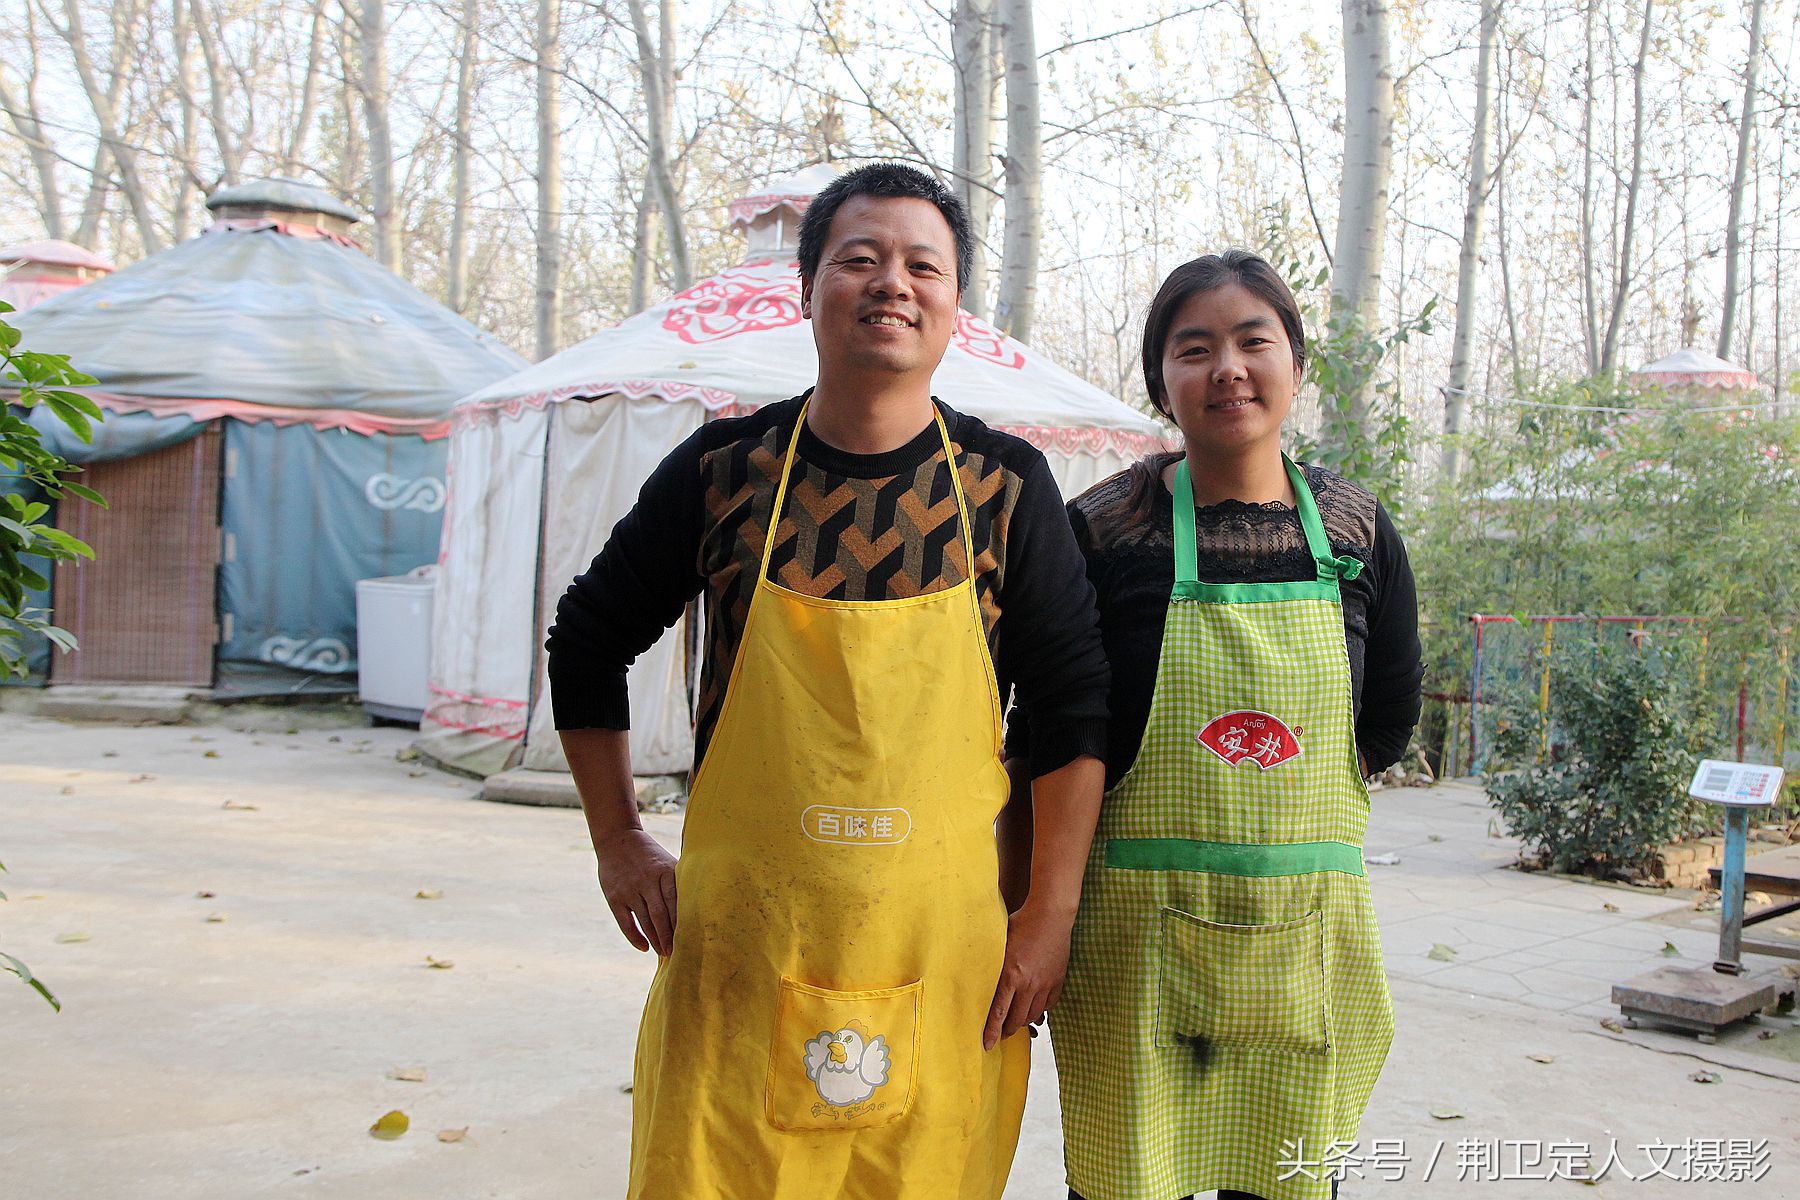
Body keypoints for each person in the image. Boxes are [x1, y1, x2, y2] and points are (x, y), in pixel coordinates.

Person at [545, 163, 1108, 1200]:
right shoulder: (725, 473)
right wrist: (618, 843)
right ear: (806, 291)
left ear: (954, 308)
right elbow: (586, 641)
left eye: (921, 265)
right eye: (860, 258)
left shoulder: (1003, 488)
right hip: (742, 947)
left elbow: (1072, 710)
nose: (891, 282)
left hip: (946, 959)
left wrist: (1047, 915)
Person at [1006, 251, 1423, 1200]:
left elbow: (1389, 713)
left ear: (1295, 364)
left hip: (1300, 940)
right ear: (1162, 381)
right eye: (1194, 349)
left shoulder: (1356, 531)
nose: (1227, 369)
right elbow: (1045, 728)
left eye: (1252, 341)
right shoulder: (1103, 528)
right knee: (1123, 1182)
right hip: (1132, 942)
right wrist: (1028, 906)